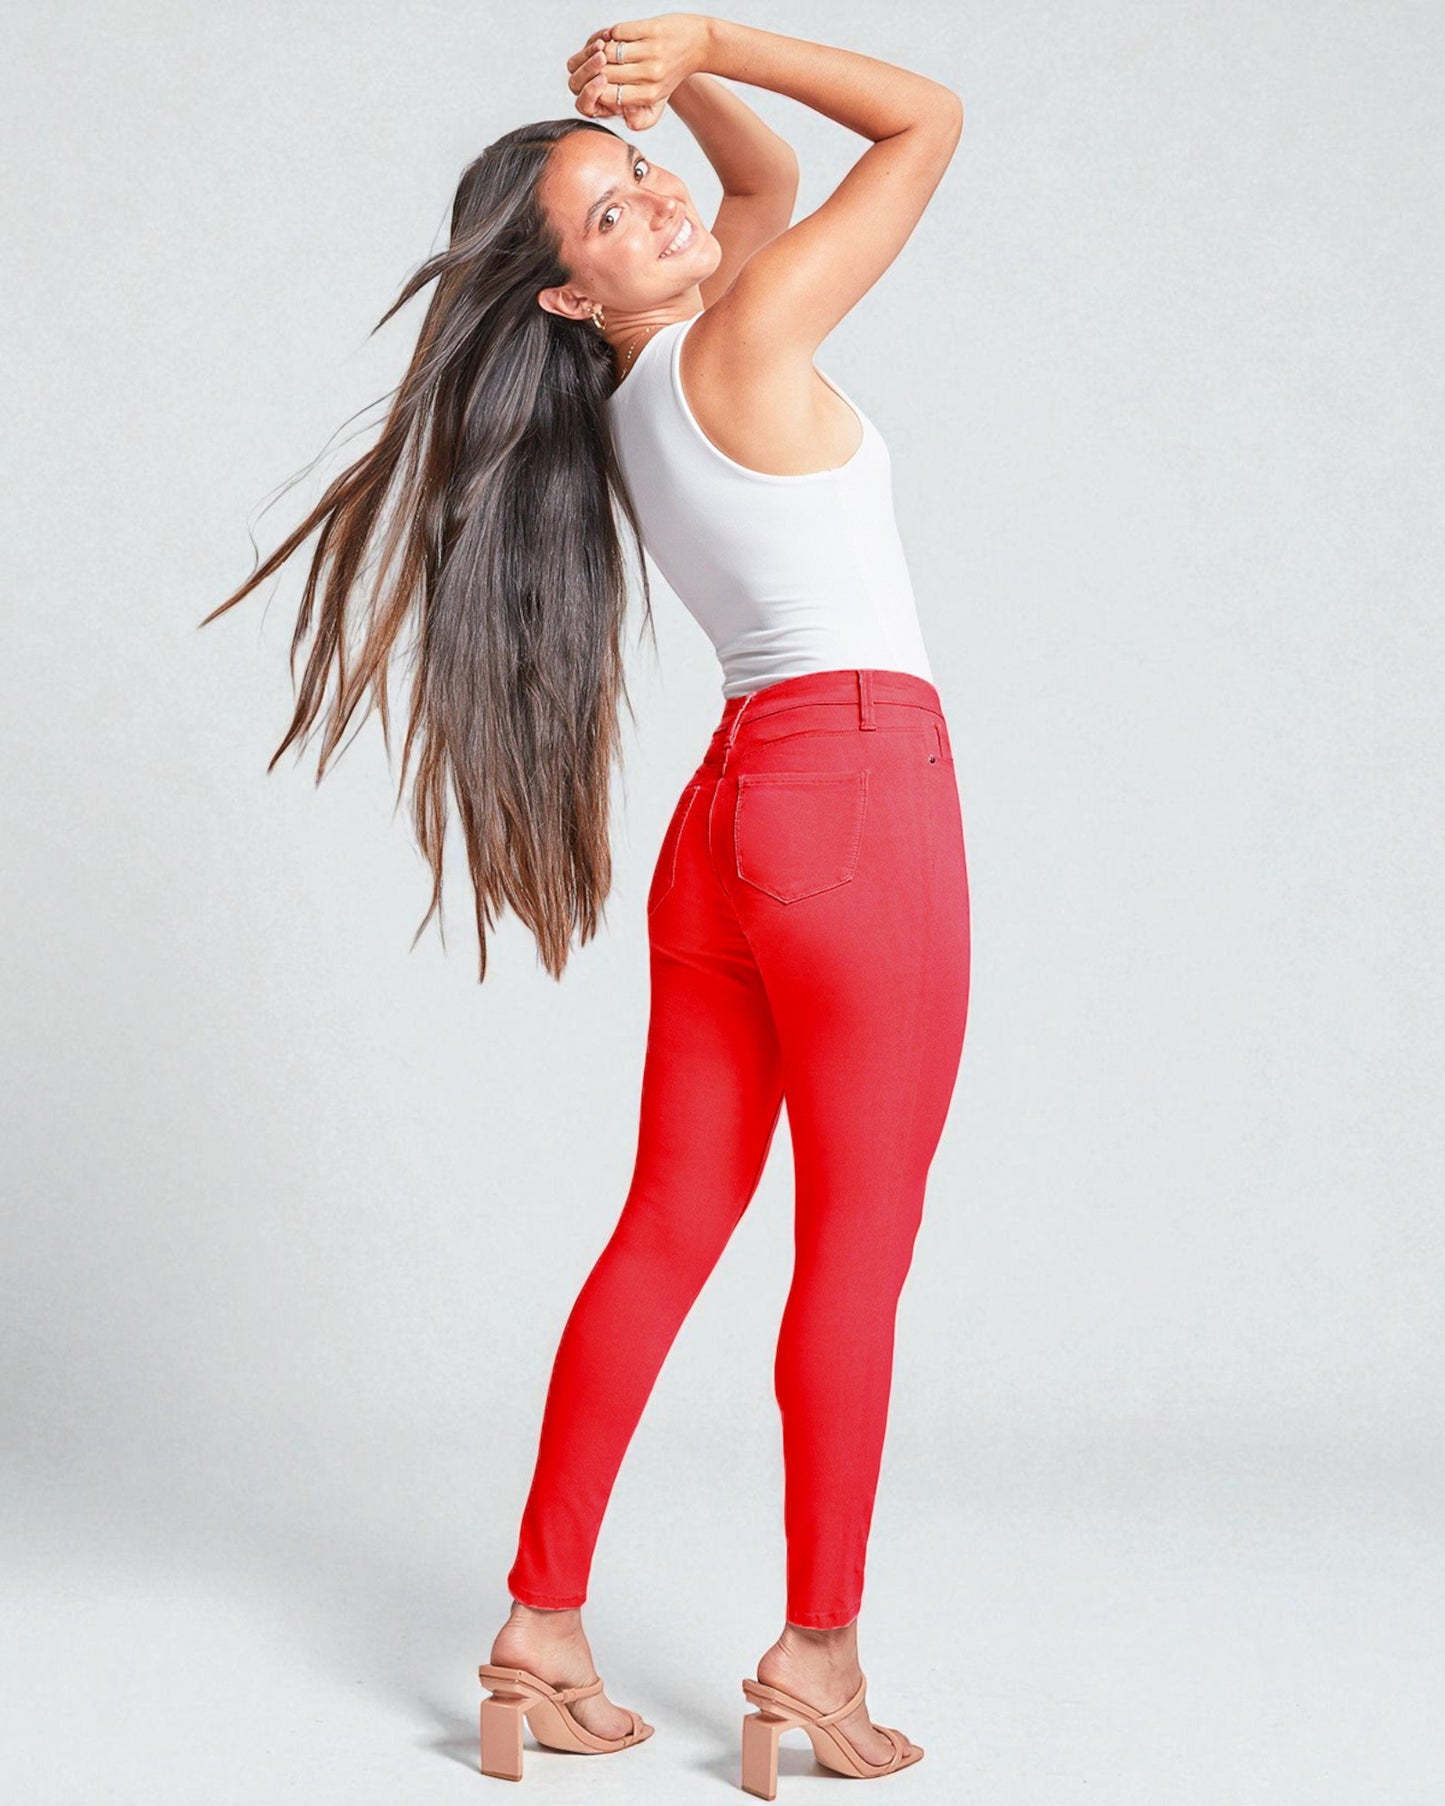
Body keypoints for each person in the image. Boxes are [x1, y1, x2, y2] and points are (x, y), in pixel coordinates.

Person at [202, 13, 967, 1795]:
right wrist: (715, 31)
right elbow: (925, 122)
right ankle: (818, 1653)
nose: (663, 200)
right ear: (565, 297)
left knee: (667, 1221)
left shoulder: (643, 384)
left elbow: (762, 176)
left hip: (729, 823)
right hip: (855, 793)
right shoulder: (750, 336)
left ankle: (540, 1625)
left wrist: (650, 97)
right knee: (850, 1243)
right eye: (614, 214)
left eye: (640, 182)